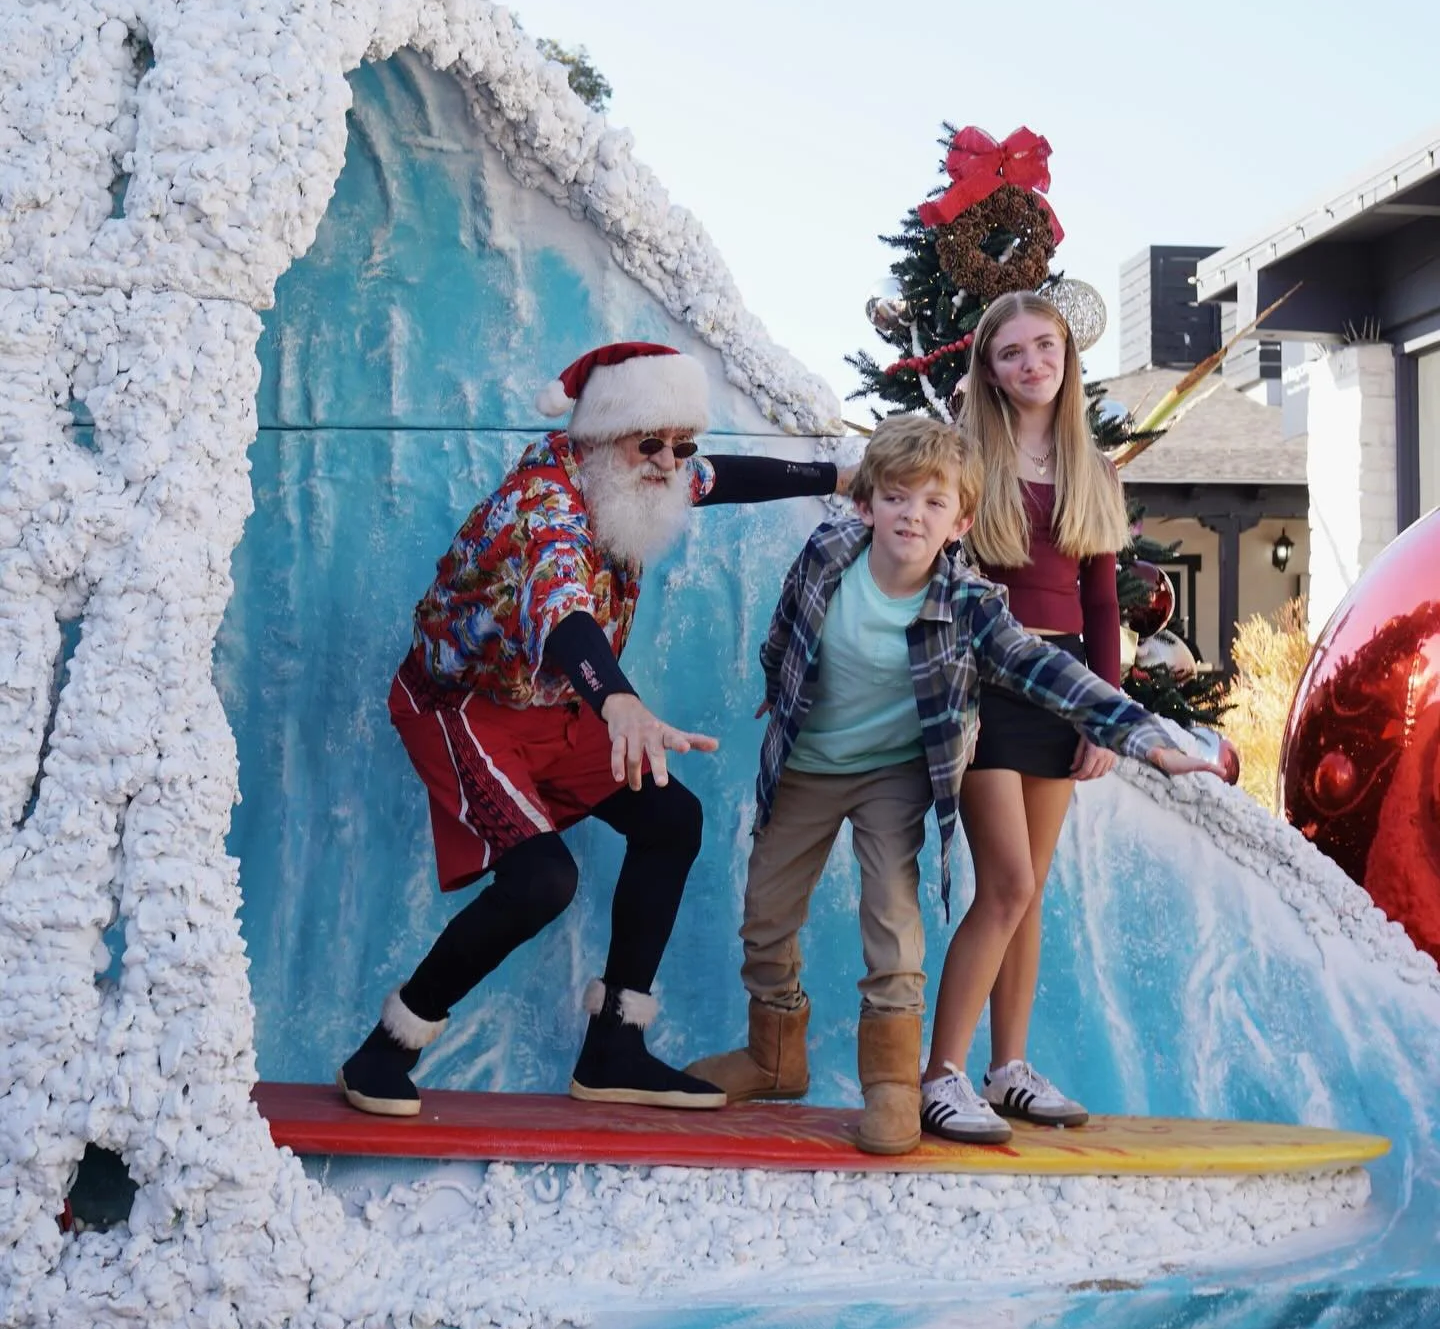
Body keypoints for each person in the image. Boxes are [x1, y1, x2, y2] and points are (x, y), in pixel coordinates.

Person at [690, 412, 1231, 1155]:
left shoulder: (971, 604)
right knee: (765, 917)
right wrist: (777, 681)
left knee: (893, 924)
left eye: (934, 503)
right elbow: (788, 625)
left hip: (890, 774)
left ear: (961, 523)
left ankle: (893, 1086)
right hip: (809, 766)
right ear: (865, 504)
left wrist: (1143, 738)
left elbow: (1048, 671)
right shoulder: (827, 555)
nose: (912, 515)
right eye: (896, 497)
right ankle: (775, 1054)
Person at [337, 341, 849, 1119]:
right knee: (542, 881)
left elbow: (726, 477)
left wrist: (840, 478)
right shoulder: (543, 508)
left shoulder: (643, 471)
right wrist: (618, 699)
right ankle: (386, 1048)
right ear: (603, 437)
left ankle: (614, 1047)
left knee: (671, 818)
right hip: (466, 705)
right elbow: (562, 610)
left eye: (682, 445)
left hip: (556, 702)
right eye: (651, 444)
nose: (669, 463)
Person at [920, 289, 1236, 1145]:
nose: (1032, 363)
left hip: (1064, 691)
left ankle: (1008, 1069)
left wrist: (1104, 714)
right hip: (983, 679)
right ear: (989, 369)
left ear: (1067, 358)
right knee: (1007, 884)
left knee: (1030, 891)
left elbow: (1101, 605)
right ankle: (940, 1076)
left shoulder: (1092, 467)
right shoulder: (965, 459)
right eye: (1012, 352)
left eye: (1045, 347)